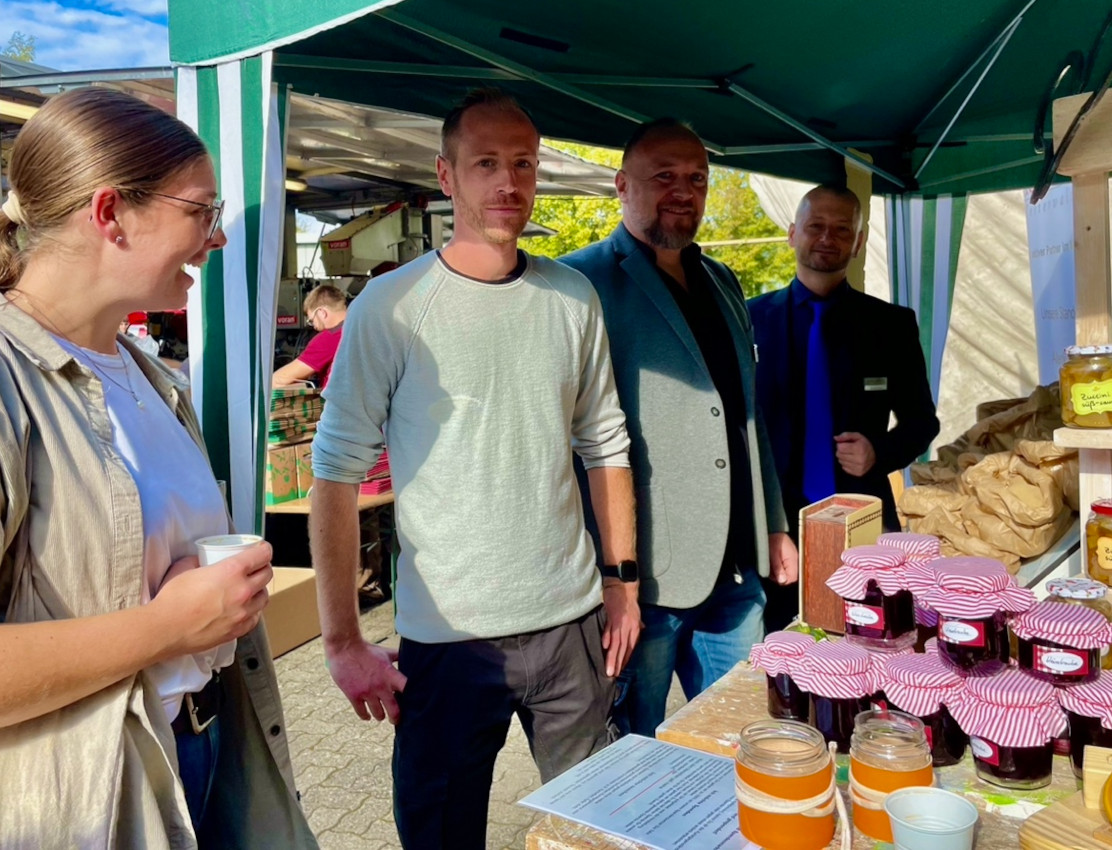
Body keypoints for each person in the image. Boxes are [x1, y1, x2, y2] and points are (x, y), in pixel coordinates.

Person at [0, 88, 318, 850]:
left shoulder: (148, 374)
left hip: (197, 754)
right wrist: (165, 626)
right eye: (202, 210)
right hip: (67, 806)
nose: (218, 237)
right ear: (110, 214)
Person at [310, 88, 639, 850]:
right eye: (485, 163)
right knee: (441, 835)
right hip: (450, 640)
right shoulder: (391, 306)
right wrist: (341, 641)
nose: (508, 182)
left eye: (522, 164)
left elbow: (606, 445)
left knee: (594, 829)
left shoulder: (571, 297)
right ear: (447, 176)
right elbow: (336, 471)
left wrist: (622, 585)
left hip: (571, 626)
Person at [561, 118, 797, 737]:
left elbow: (745, 417)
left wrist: (772, 524)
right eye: (663, 176)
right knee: (634, 749)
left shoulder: (722, 281)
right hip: (645, 584)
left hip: (735, 575)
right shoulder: (577, 282)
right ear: (622, 185)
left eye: (696, 178)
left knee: (742, 739)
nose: (682, 191)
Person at [748, 184, 940, 632]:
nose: (827, 238)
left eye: (841, 230)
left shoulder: (891, 325)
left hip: (862, 519)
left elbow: (921, 421)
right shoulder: (749, 319)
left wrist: (880, 451)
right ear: (793, 233)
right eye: (815, 226)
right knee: (779, 656)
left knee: (869, 641)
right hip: (774, 526)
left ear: (857, 242)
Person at [272, 284, 348, 388]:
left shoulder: (330, 337)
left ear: (322, 313)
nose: (314, 327)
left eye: (311, 321)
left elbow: (281, 379)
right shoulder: (363, 329)